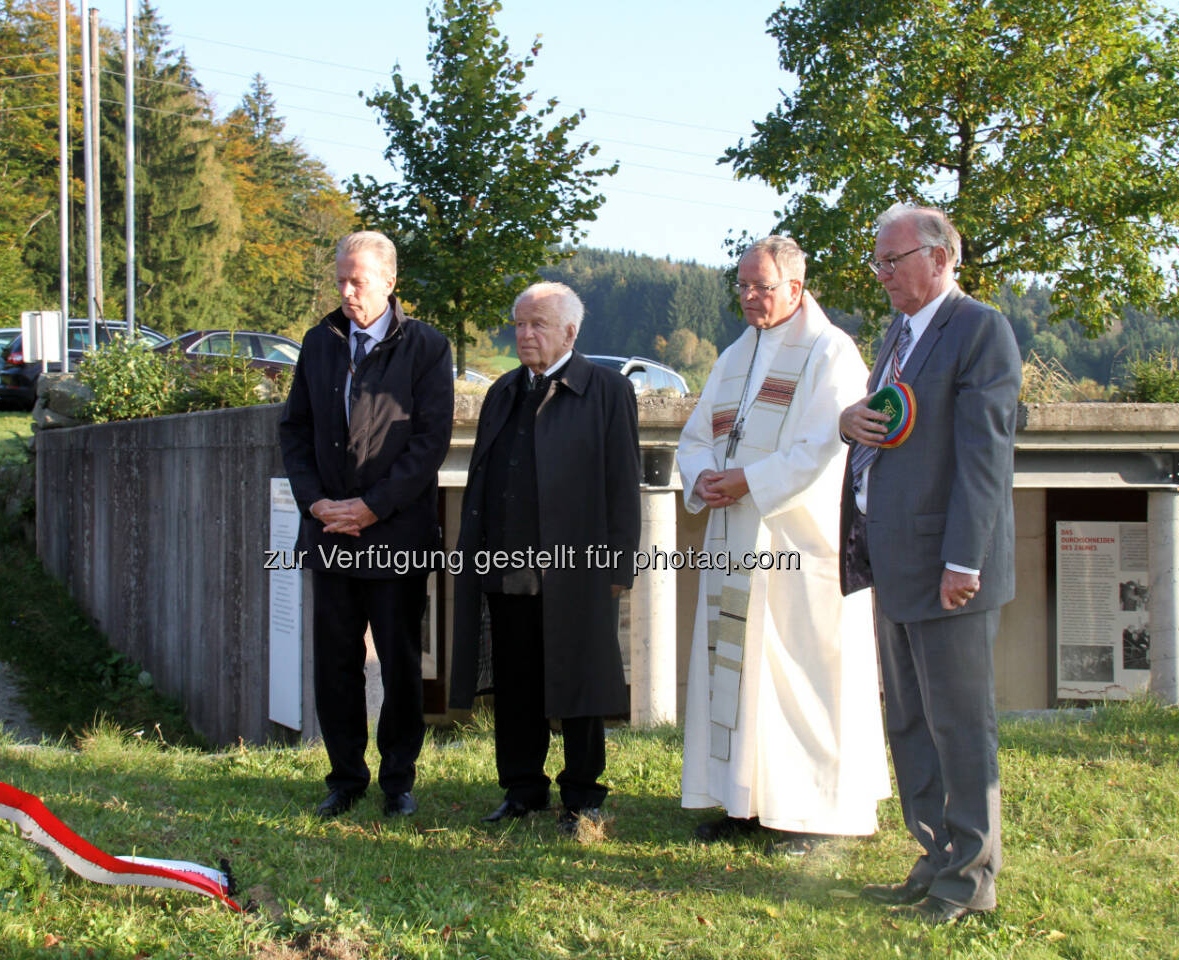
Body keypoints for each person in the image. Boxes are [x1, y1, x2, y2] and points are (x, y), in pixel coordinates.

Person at [838, 204, 1022, 924]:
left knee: (960, 727)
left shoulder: (980, 331)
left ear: (941, 259)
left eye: (894, 260)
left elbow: (984, 460)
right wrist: (847, 422)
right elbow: (885, 426)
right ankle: (934, 856)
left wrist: (962, 561)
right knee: (910, 722)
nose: (882, 275)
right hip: (895, 563)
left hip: (950, 574)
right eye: (877, 263)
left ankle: (970, 881)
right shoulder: (898, 335)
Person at [676, 237, 889, 855]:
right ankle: (744, 802)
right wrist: (704, 476)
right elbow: (695, 436)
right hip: (735, 539)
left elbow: (827, 450)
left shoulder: (830, 353)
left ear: (796, 287)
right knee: (740, 675)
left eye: (761, 287)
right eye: (741, 285)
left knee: (802, 678)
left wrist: (748, 481)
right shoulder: (735, 356)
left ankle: (813, 815)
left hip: (800, 547)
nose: (748, 297)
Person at [450, 281, 640, 836]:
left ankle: (583, 795)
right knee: (515, 682)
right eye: (519, 324)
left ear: (570, 332)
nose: (525, 335)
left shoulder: (605, 391)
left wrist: (618, 567)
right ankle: (522, 789)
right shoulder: (503, 391)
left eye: (538, 325)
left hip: (578, 568)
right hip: (506, 565)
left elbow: (622, 484)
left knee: (580, 682)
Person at [278, 230, 453, 819]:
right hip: (329, 530)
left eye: (358, 280)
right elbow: (295, 430)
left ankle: (397, 780)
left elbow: (429, 442)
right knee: (334, 659)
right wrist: (316, 502)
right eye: (341, 279)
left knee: (400, 661)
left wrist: (373, 506)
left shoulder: (427, 347)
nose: (347, 291)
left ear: (389, 282)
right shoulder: (319, 342)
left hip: (396, 532)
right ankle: (345, 775)